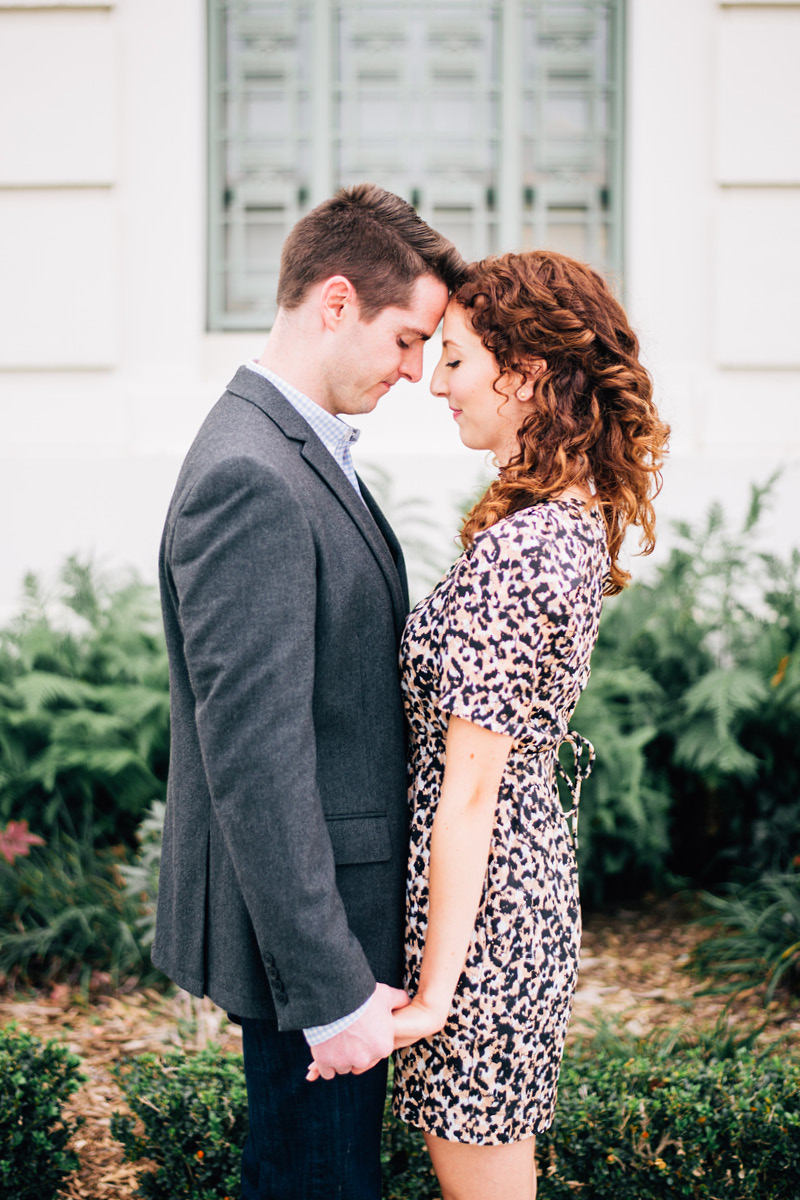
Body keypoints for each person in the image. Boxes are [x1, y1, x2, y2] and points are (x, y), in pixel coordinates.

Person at [151, 183, 464, 1200]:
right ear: (336, 303)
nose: (417, 372)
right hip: (312, 949)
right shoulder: (251, 474)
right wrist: (332, 993)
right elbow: (256, 757)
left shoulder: (293, 448)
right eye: (407, 339)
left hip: (332, 922)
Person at [389, 250, 670, 1200]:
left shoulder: (529, 544)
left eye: (456, 359)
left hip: (487, 921)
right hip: (506, 900)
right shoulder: (557, 519)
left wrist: (436, 993)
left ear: (530, 373)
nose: (433, 382)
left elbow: (470, 792)